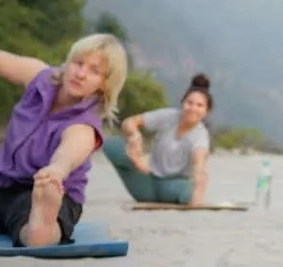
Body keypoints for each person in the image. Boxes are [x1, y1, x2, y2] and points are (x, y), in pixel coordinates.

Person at [0, 34, 128, 246]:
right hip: (4, 184)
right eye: (79, 63)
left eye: (94, 71)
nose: (81, 74)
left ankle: (41, 227)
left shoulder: (84, 125)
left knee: (25, 217)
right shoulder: (39, 77)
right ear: (69, 61)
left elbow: (69, 153)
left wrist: (55, 172)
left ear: (105, 85)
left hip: (47, 192)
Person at [105, 74, 213, 205]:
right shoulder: (169, 116)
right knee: (112, 145)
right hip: (148, 180)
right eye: (190, 103)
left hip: (173, 186)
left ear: (206, 111)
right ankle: (150, 194)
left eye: (199, 105)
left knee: (187, 191)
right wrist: (135, 137)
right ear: (183, 103)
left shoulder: (200, 135)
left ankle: (180, 198)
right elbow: (129, 122)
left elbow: (199, 163)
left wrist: (198, 191)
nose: (193, 108)